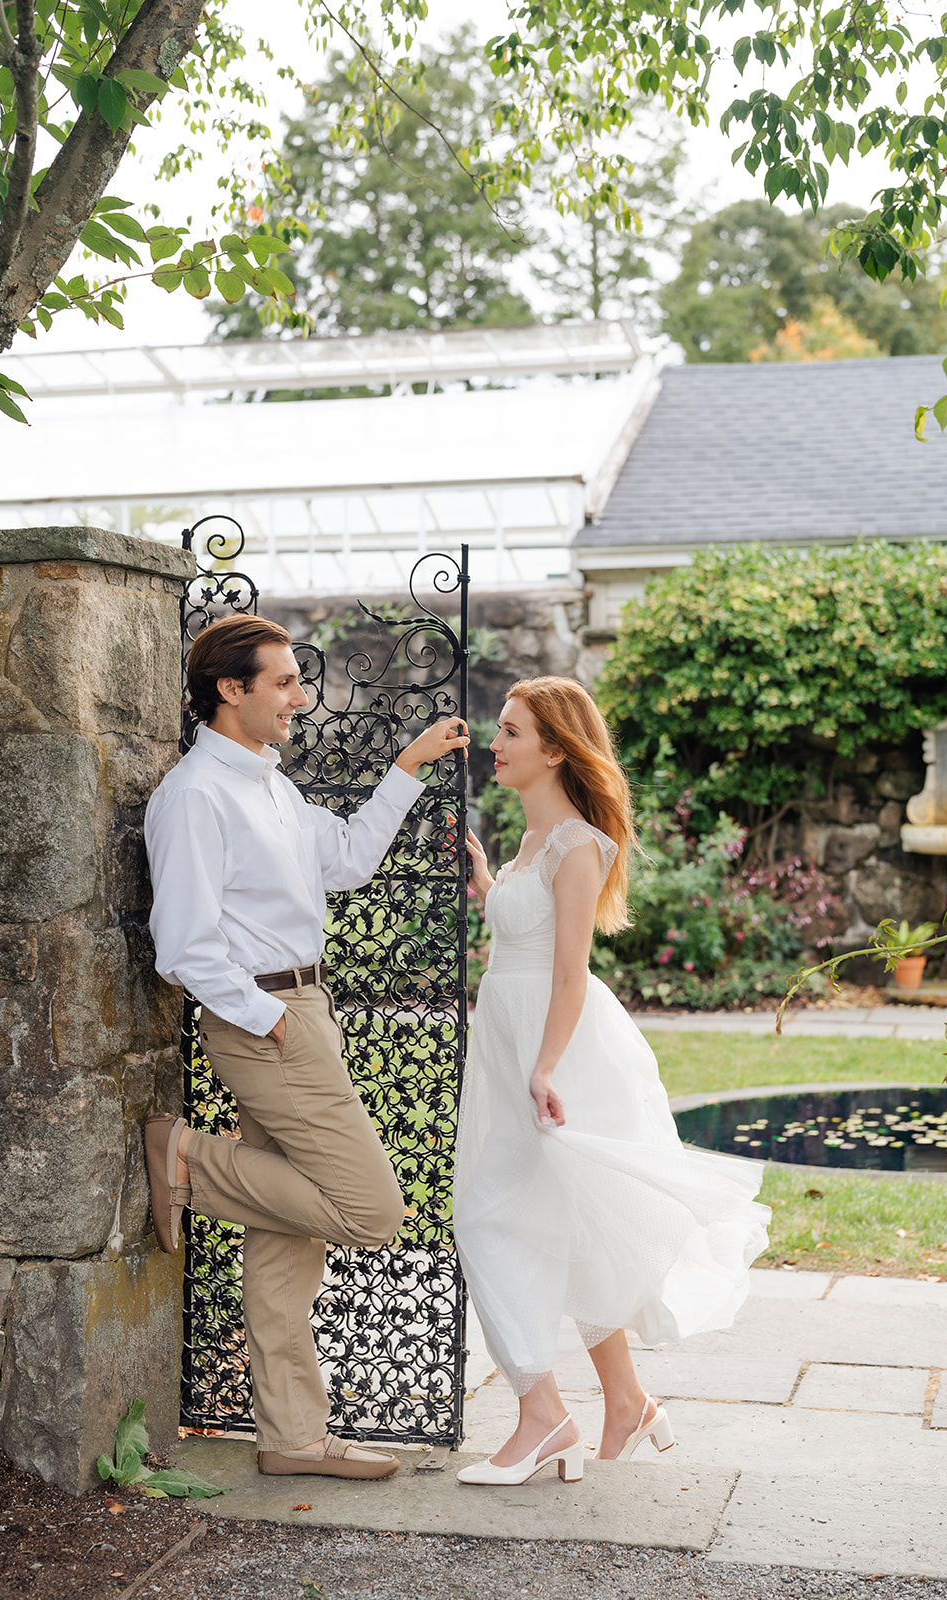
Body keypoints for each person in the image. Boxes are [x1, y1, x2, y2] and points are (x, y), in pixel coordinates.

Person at [143, 613, 469, 1482]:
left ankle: (290, 1437)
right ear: (231, 689)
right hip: (267, 1023)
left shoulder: (272, 788)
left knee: (288, 1238)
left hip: (303, 1006)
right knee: (369, 1211)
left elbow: (351, 862)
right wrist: (269, 1020)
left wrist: (405, 767)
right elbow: (182, 942)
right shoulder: (193, 795)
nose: (300, 696)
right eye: (283, 682)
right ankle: (186, 1159)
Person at [453, 676, 769, 1487]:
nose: (496, 742)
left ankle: (541, 1416)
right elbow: (522, 936)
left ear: (554, 749)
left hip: (556, 1045)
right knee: (566, 1222)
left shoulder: (579, 846)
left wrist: (545, 1067)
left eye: (512, 731)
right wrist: (488, 881)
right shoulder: (528, 845)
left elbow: (566, 973)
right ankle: (624, 1401)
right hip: (510, 1037)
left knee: (490, 1217)